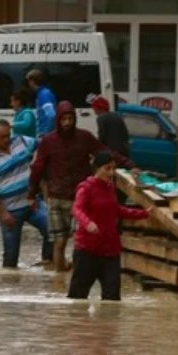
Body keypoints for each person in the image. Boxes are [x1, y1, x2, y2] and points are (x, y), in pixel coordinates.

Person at [29, 101, 137, 272]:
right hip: (56, 198)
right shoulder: (49, 141)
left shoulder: (84, 137)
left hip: (79, 198)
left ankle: (77, 277)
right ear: (58, 119)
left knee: (79, 241)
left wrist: (129, 164)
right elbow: (37, 168)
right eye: (64, 119)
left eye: (70, 118)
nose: (67, 123)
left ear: (75, 119)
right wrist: (31, 194)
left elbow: (105, 153)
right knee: (60, 242)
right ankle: (60, 281)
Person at [68, 151, 150, 300]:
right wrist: (88, 223)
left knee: (112, 298)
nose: (111, 173)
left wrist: (143, 213)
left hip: (110, 249)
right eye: (107, 168)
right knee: (77, 297)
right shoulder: (86, 187)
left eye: (113, 169)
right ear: (97, 169)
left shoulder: (110, 187)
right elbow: (76, 208)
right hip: (87, 250)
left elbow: (116, 209)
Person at [0, 120, 47, 268]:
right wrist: (2, 212)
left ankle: (47, 263)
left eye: (8, 135)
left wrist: (40, 165)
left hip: (32, 203)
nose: (6, 140)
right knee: (11, 254)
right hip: (10, 211)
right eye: (2, 137)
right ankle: (9, 284)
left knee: (52, 229)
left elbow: (45, 144)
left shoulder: (21, 141)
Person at [25, 69, 58, 137]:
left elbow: (51, 115)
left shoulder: (43, 94)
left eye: (29, 81)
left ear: (32, 81)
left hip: (45, 134)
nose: (29, 84)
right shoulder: (43, 93)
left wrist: (46, 134)